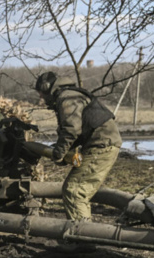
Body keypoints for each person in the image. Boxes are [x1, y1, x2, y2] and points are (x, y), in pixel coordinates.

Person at [34, 71, 122, 221]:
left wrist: (59, 153)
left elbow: (71, 130)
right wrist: (64, 150)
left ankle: (81, 233)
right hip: (101, 144)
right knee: (75, 190)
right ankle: (84, 230)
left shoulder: (67, 97)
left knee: (74, 191)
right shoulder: (71, 95)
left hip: (101, 145)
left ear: (46, 87)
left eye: (41, 94)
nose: (42, 98)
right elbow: (77, 131)